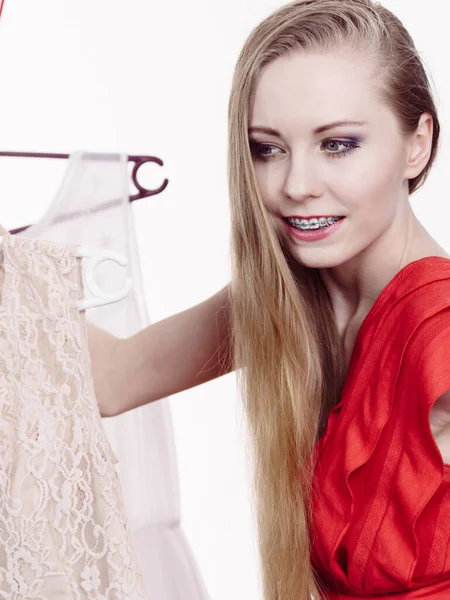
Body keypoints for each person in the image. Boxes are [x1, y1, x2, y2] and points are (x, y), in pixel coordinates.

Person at [89, 0, 450, 598]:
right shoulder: (280, 296)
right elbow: (109, 377)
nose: (296, 186)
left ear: (417, 144)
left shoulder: (436, 330)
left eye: (337, 144)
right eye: (267, 149)